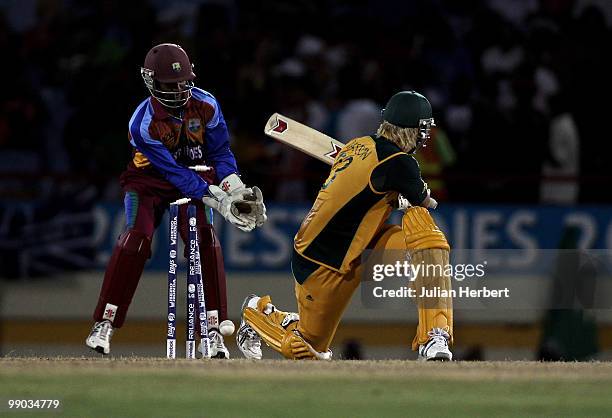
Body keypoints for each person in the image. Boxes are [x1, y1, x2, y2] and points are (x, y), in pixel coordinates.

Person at [237, 91, 453, 360]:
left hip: (364, 246)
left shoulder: (358, 145)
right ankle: (257, 312)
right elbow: (426, 200)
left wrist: (396, 199)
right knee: (306, 351)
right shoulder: (400, 163)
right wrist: (411, 196)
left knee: (429, 241)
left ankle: (434, 337)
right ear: (412, 130)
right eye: (423, 130)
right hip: (321, 262)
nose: (425, 137)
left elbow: (360, 191)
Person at [86, 43, 266, 358]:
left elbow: (220, 152)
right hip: (149, 182)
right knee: (135, 241)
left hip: (197, 173)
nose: (179, 91)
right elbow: (172, 173)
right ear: (152, 82)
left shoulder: (207, 104)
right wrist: (218, 200)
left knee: (204, 244)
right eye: (171, 86)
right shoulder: (141, 123)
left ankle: (212, 331)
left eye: (183, 83)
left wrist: (234, 188)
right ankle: (105, 322)